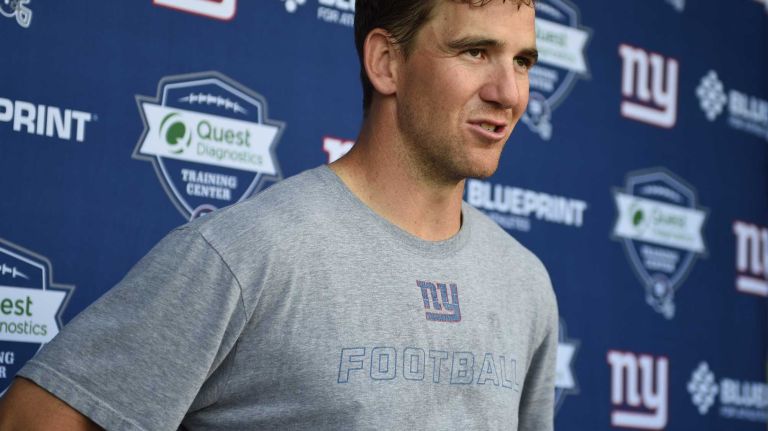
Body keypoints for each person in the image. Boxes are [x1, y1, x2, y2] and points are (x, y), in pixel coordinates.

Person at [0, 0, 557, 429]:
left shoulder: (525, 283)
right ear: (387, 63)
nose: (509, 92)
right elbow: (34, 418)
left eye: (523, 60)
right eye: (475, 52)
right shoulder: (250, 254)